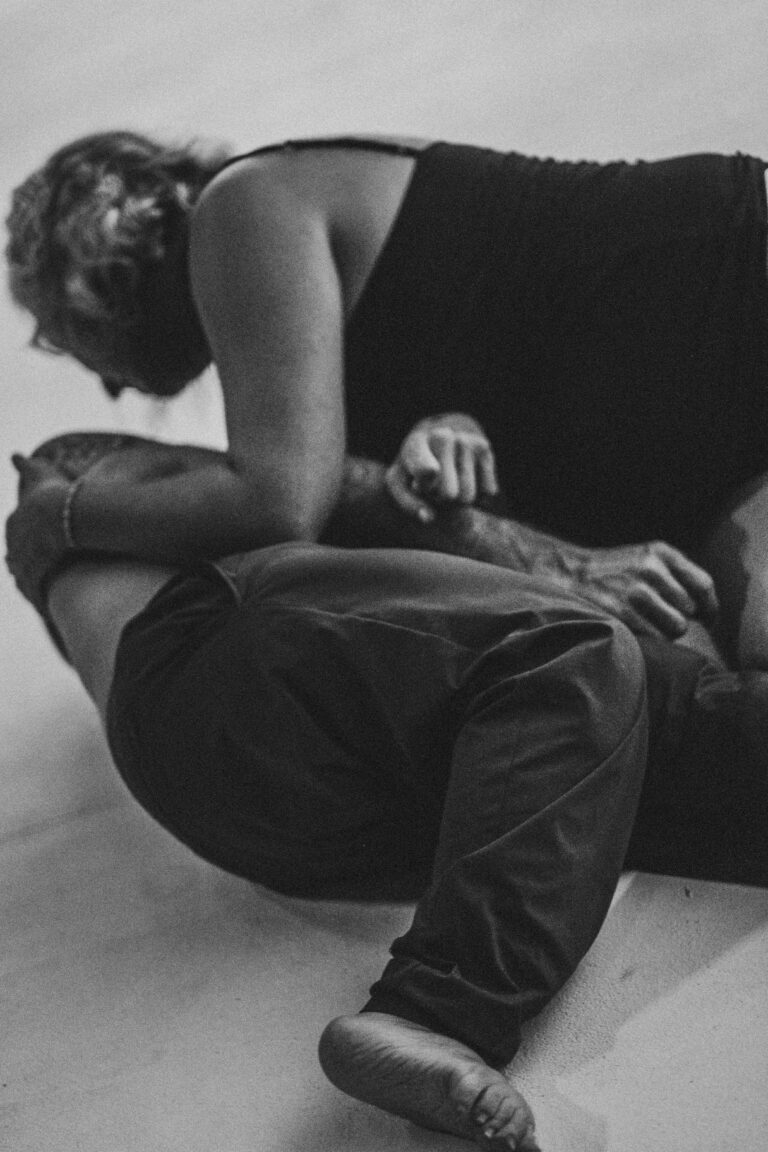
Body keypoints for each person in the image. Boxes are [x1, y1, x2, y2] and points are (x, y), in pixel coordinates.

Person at [8, 431, 768, 1152]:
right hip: (225, 658)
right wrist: (63, 510)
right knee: (568, 655)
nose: (121, 383)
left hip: (317, 802)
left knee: (675, 732)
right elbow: (287, 498)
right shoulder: (80, 470)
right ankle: (435, 1012)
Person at [5, 132, 768, 667]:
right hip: (717, 460)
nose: (110, 384)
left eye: (73, 340)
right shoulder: (312, 382)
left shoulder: (240, 207)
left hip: (735, 293)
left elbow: (277, 502)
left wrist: (62, 517)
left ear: (101, 280)